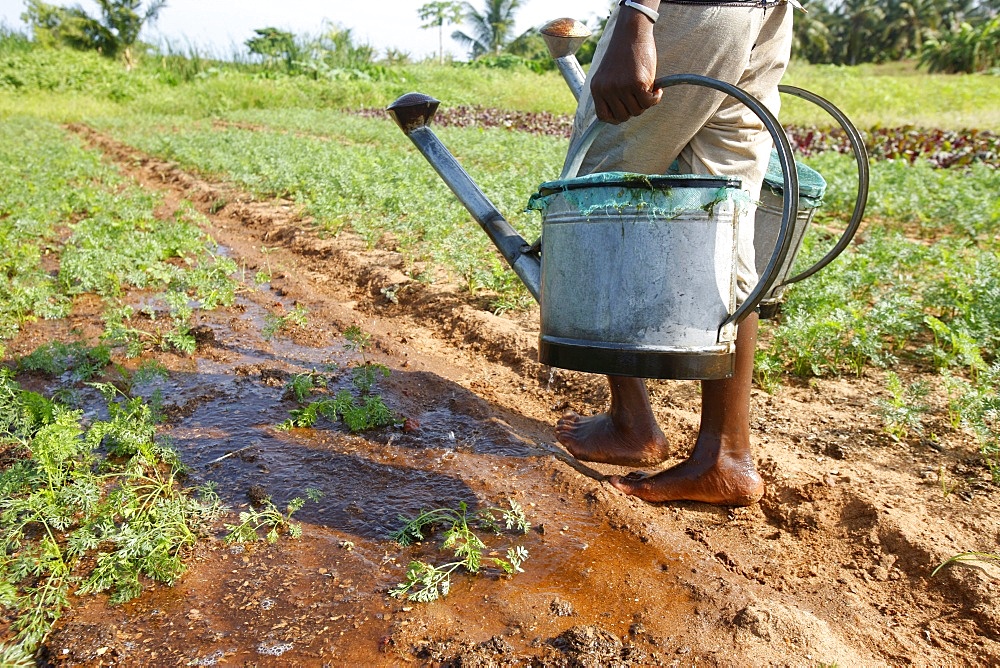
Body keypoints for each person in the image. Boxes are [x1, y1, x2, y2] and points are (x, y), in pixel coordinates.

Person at [554, 0, 794, 506]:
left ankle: (631, 423)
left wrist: (636, 17)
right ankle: (726, 457)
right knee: (724, 222)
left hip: (690, 12)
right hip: (763, 15)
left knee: (597, 199)